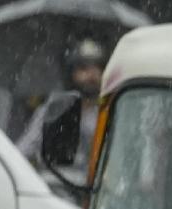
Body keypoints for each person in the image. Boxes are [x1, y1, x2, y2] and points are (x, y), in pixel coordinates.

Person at [15, 38, 107, 175]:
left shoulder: (108, 112)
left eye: (97, 67)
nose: (92, 75)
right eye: (83, 68)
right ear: (71, 73)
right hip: (55, 186)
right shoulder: (54, 109)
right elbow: (24, 151)